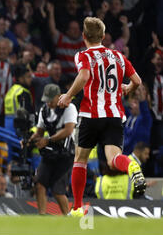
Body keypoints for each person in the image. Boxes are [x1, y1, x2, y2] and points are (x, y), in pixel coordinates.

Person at [58, 17, 146, 217]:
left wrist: (68, 95)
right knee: (114, 159)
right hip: (114, 116)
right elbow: (137, 81)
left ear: (84, 36)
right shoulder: (117, 56)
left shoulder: (83, 55)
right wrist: (127, 87)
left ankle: (78, 208)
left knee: (80, 160)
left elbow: (83, 76)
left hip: (91, 114)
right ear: (103, 36)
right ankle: (131, 164)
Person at [28, 84, 77, 215]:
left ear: (58, 96)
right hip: (50, 154)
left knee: (57, 190)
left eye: (51, 99)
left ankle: (68, 216)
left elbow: (68, 130)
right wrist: (29, 141)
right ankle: (42, 216)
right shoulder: (44, 110)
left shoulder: (69, 108)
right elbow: (39, 132)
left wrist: (47, 140)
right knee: (39, 184)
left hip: (65, 155)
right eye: (46, 100)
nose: (48, 102)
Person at [4, 64, 34, 133]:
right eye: (28, 77)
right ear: (21, 78)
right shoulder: (23, 92)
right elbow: (26, 114)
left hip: (8, 127)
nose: (31, 79)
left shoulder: (11, 90)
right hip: (19, 129)